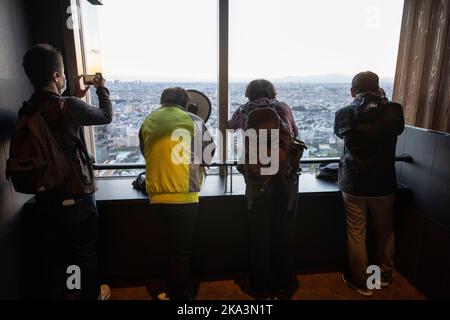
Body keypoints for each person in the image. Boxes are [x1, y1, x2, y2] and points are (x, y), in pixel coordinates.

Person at [19, 43, 113, 300]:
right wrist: (101, 87)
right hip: (76, 194)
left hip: (45, 196)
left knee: (58, 254)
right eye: (61, 74)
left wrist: (73, 94)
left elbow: (54, 120)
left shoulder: (27, 109)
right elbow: (106, 116)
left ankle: (70, 294)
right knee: (84, 251)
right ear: (55, 75)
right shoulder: (67, 105)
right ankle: (90, 295)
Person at [139, 87, 215, 300]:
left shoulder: (148, 120)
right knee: (181, 253)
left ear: (162, 101)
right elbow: (208, 156)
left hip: (156, 194)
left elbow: (145, 151)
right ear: (186, 104)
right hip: (185, 194)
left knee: (167, 247)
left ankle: (167, 289)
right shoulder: (194, 120)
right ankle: (178, 295)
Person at [334, 71, 405, 297]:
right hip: (384, 183)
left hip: (353, 182)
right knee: (384, 231)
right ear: (378, 88)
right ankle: (383, 277)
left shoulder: (344, 113)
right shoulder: (394, 110)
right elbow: (398, 128)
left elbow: (340, 133)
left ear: (353, 91)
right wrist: (381, 100)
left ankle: (362, 282)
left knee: (357, 232)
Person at [228, 79, 300, 300]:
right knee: (284, 233)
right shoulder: (283, 108)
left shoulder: (243, 111)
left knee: (259, 236)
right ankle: (284, 285)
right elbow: (294, 135)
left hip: (257, 182)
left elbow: (231, 130)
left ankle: (260, 287)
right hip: (285, 180)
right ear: (272, 92)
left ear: (249, 93)